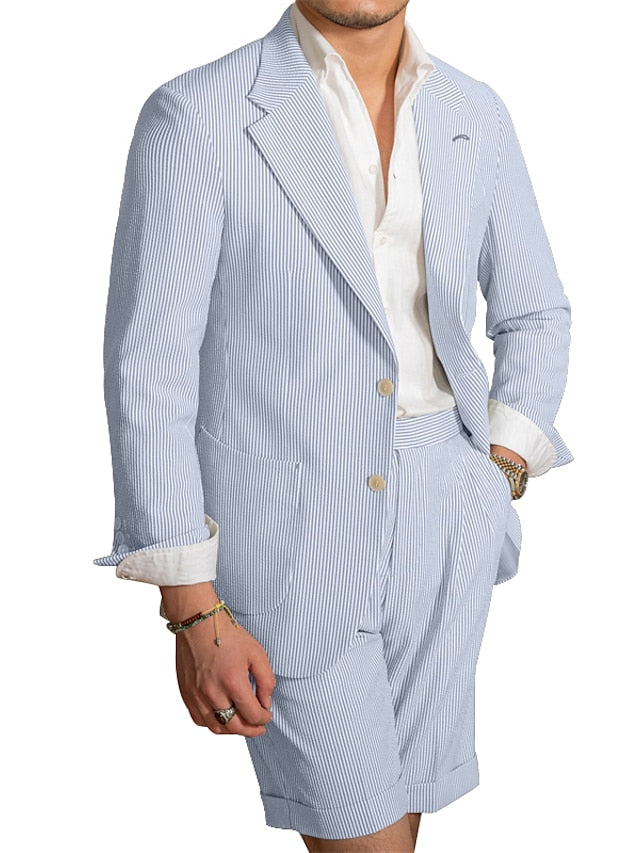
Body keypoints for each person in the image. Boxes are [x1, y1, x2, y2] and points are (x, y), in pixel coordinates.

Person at [93, 1, 573, 850]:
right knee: (364, 835)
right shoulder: (196, 115)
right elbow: (150, 368)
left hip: (447, 511)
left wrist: (495, 474)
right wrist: (191, 605)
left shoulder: (473, 110)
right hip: (289, 538)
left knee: (399, 822)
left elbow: (535, 312)